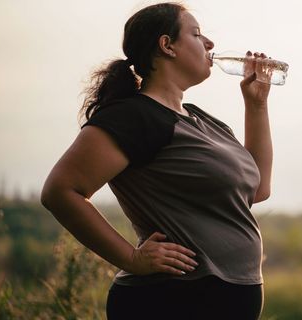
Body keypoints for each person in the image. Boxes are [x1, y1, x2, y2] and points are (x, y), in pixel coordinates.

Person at [41, 2, 273, 319]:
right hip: (169, 301)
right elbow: (60, 191)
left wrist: (257, 106)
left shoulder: (204, 121)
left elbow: (257, 190)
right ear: (167, 45)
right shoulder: (134, 117)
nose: (210, 44)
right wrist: (132, 259)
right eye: (196, 34)